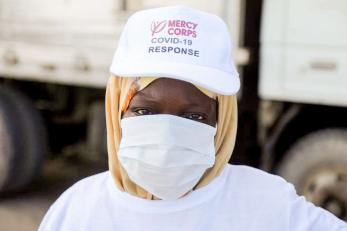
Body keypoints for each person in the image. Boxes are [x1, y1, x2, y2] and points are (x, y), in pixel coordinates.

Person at [38, 5, 347, 231]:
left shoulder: (269, 206)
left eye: (195, 116)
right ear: (116, 109)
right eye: (144, 111)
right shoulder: (77, 211)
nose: (168, 137)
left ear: (221, 122)